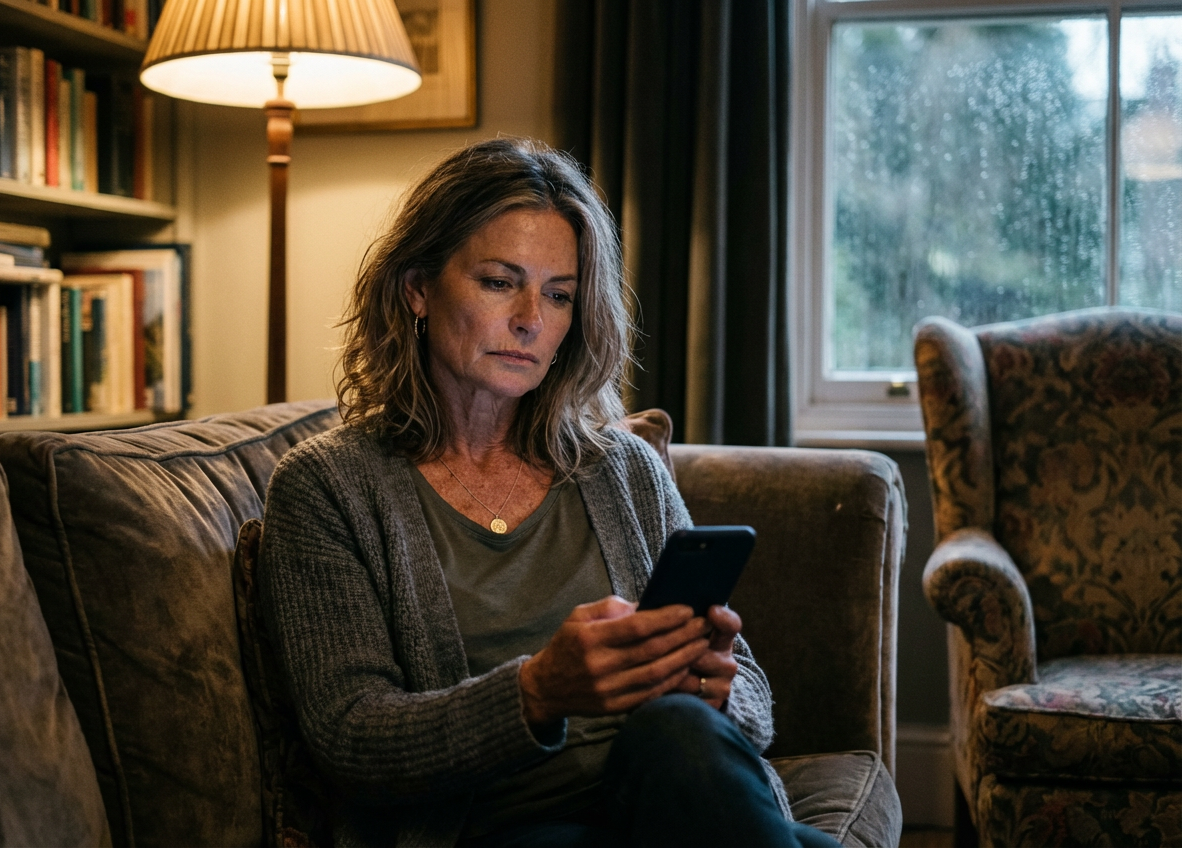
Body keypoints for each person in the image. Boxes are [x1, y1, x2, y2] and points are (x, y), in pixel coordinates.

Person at [259, 137, 839, 848]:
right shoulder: (327, 487)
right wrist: (538, 691)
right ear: (417, 288)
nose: (533, 317)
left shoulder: (621, 468)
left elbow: (748, 687)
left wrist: (716, 689)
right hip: (492, 829)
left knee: (679, 730)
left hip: (673, 796)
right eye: (500, 282)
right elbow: (352, 739)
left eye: (559, 294)